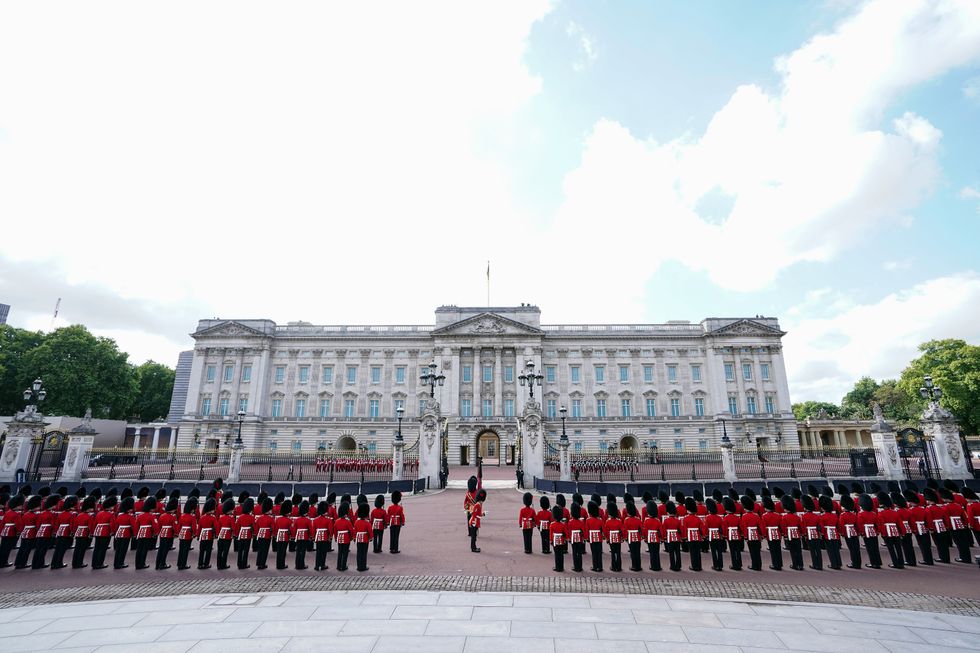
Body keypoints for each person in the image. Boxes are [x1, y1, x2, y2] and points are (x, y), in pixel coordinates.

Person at [876, 492, 904, 569]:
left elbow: (881, 524)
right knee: (898, 548)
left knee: (891, 549)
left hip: (887, 532)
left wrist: (883, 533)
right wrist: (902, 532)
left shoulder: (881, 513)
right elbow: (900, 523)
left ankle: (895, 563)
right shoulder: (895, 512)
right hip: (896, 532)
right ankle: (901, 562)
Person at [31, 494, 59, 569]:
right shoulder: (52, 514)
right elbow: (53, 524)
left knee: (38, 549)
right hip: (47, 532)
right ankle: (40, 564)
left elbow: (38, 524)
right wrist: (54, 532)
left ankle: (35, 563)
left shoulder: (41, 513)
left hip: (40, 532)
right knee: (43, 549)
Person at [90, 495, 116, 570]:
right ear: (110, 506)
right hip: (105, 532)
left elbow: (95, 523)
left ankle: (94, 563)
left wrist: (94, 531)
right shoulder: (111, 514)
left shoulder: (99, 513)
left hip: (98, 531)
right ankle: (100, 563)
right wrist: (112, 532)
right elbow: (112, 524)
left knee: (97, 548)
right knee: (102, 549)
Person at [857, 493, 882, 569]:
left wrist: (861, 532)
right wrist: (877, 531)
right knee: (875, 547)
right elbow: (877, 524)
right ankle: (878, 562)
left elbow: (860, 524)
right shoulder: (873, 513)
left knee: (870, 548)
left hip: (866, 532)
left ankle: (873, 562)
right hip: (873, 531)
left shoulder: (861, 514)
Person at [70, 496, 96, 569]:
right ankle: (79, 563)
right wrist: (91, 533)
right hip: (85, 533)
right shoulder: (89, 516)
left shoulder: (79, 515)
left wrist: (73, 532)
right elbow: (90, 526)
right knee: (82, 549)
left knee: (77, 548)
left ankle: (74, 563)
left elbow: (75, 525)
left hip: (78, 533)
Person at [133, 496, 159, 570]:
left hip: (140, 533)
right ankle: (142, 564)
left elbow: (136, 525)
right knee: (144, 549)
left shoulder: (140, 515)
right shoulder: (152, 516)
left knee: (139, 549)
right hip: (147, 534)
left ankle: (137, 564)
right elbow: (155, 526)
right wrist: (155, 533)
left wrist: (136, 533)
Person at [817, 495, 842, 570]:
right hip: (835, 533)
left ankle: (834, 564)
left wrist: (822, 534)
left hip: (827, 534)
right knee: (836, 549)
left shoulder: (822, 516)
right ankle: (838, 563)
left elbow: (821, 527)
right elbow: (838, 526)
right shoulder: (835, 516)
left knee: (830, 550)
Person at [0, 495, 25, 568]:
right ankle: (4, 562)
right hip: (11, 532)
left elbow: (2, 523)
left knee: (3, 548)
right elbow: (18, 524)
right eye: (20, 506)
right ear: (16, 506)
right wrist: (18, 532)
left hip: (5, 532)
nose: (21, 507)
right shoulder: (16, 514)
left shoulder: (7, 512)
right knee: (7, 549)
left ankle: (1, 562)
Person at [111, 496, 135, 570]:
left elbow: (116, 525)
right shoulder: (130, 516)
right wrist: (134, 534)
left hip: (119, 533)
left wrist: (115, 532)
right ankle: (121, 563)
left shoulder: (119, 516)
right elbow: (133, 526)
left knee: (118, 549)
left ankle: (116, 563)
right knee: (123, 550)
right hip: (126, 534)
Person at [800, 494, 823, 571]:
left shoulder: (804, 516)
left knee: (812, 550)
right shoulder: (817, 516)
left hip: (809, 534)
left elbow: (803, 526)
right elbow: (820, 526)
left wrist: (804, 534)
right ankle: (820, 565)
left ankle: (815, 564)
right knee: (818, 550)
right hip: (816, 533)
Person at [739, 495, 762, 571]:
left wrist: (745, 536)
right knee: (757, 551)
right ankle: (759, 565)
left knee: (752, 551)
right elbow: (760, 526)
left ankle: (754, 565)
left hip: (749, 535)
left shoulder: (744, 516)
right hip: (756, 535)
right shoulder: (757, 516)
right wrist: (761, 535)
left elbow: (744, 528)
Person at [682, 497, 704, 572]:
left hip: (690, 536)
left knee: (692, 552)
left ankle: (694, 566)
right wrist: (703, 536)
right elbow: (702, 529)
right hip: (698, 536)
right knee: (698, 552)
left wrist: (684, 537)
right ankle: (699, 566)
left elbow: (685, 529)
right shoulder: (698, 518)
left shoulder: (686, 518)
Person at [155, 498, 178, 570]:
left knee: (161, 549)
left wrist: (158, 533)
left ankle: (157, 564)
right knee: (165, 549)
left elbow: (159, 526)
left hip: (162, 533)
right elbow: (175, 527)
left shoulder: (162, 515)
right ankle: (163, 563)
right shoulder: (173, 517)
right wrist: (176, 533)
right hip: (169, 534)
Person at [177, 497, 198, 571]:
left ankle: (179, 563)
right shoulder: (192, 517)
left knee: (181, 549)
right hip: (188, 534)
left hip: (182, 534)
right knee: (185, 550)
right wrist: (194, 534)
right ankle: (183, 564)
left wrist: (178, 533)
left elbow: (179, 526)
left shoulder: (182, 516)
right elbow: (194, 527)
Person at [762, 496, 783, 571]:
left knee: (773, 550)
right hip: (777, 533)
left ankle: (775, 564)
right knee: (778, 549)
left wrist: (763, 535)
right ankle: (780, 564)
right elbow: (781, 526)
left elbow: (764, 526)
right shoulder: (778, 515)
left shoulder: (764, 516)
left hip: (770, 534)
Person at [215, 498, 236, 570]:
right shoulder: (231, 518)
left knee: (220, 551)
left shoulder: (221, 518)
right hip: (227, 536)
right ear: (229, 510)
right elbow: (233, 528)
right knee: (225, 551)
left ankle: (218, 564)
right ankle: (223, 564)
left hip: (220, 536)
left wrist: (217, 534)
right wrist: (234, 534)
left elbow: (218, 527)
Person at [722, 497, 742, 571]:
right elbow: (740, 527)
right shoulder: (737, 517)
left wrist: (724, 535)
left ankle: (734, 564)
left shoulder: (726, 518)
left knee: (733, 550)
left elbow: (724, 528)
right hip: (737, 535)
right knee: (738, 550)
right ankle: (739, 564)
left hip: (730, 535)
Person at [704, 498, 725, 571]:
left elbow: (706, 527)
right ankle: (720, 565)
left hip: (711, 535)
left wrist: (705, 535)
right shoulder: (719, 518)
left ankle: (716, 565)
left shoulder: (707, 517)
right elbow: (722, 527)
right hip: (718, 535)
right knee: (719, 551)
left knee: (713, 551)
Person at [254, 498, 274, 570]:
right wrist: (272, 534)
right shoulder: (270, 518)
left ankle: (259, 564)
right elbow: (272, 528)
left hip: (260, 535)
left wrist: (256, 534)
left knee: (260, 550)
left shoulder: (259, 518)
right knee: (265, 550)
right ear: (268, 510)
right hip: (266, 535)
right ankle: (262, 564)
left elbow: (256, 527)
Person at [197, 498, 218, 570]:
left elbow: (199, 528)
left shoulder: (202, 517)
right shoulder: (213, 517)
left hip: (202, 535)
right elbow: (216, 527)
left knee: (202, 550)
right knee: (208, 551)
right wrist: (216, 534)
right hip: (209, 535)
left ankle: (200, 564)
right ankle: (206, 564)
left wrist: (198, 535)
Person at [661, 501, 682, 572]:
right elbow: (680, 530)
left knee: (671, 553)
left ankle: (673, 566)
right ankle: (678, 565)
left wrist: (664, 538)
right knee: (677, 552)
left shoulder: (666, 521)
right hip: (677, 537)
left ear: (668, 512)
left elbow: (664, 530)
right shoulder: (678, 520)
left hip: (669, 538)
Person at [235, 498, 255, 569]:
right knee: (246, 550)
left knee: (240, 550)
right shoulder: (251, 517)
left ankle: (239, 564)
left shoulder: (240, 517)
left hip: (241, 534)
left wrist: (236, 535)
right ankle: (244, 564)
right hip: (248, 535)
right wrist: (254, 533)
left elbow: (237, 527)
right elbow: (254, 527)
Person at [642, 500, 662, 572]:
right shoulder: (658, 520)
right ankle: (658, 566)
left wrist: (645, 538)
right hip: (656, 538)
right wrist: (661, 538)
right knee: (656, 552)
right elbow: (661, 530)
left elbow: (645, 531)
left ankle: (653, 566)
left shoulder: (646, 521)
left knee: (652, 553)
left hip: (650, 538)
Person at [623, 502, 643, 572]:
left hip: (630, 537)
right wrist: (641, 536)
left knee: (632, 552)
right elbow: (641, 528)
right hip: (637, 537)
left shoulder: (626, 520)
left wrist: (625, 537)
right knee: (637, 552)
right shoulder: (638, 519)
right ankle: (639, 566)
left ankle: (634, 566)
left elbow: (625, 530)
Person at [603, 503, 624, 572]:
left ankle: (613, 566)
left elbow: (606, 531)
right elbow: (622, 530)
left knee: (613, 552)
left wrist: (607, 538)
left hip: (611, 538)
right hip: (618, 538)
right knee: (618, 552)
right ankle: (619, 566)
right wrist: (622, 538)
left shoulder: (608, 521)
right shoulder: (619, 521)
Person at [274, 499, 293, 570]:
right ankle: (282, 564)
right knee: (283, 551)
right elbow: (291, 530)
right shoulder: (289, 520)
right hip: (285, 536)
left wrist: (275, 535)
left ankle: (278, 564)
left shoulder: (278, 519)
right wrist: (291, 535)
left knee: (279, 551)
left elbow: (275, 528)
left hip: (279, 536)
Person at [585, 501, 605, 571]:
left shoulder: (588, 520)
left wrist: (586, 538)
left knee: (594, 553)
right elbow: (603, 530)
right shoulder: (600, 520)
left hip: (591, 538)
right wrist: (604, 536)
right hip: (599, 538)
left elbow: (587, 530)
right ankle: (600, 567)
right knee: (599, 553)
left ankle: (595, 566)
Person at [292, 500, 312, 570]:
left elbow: (294, 529)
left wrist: (293, 537)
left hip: (298, 536)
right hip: (305, 536)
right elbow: (310, 529)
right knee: (303, 551)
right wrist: (311, 536)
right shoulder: (308, 520)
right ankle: (302, 564)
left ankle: (297, 565)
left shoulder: (297, 520)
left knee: (298, 551)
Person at [353, 502, 373, 571]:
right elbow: (370, 531)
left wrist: (354, 538)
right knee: (364, 553)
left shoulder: (356, 522)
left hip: (358, 539)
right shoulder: (367, 522)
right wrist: (371, 537)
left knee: (359, 552)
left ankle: (359, 566)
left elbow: (354, 531)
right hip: (365, 539)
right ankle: (363, 566)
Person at [334, 502, 354, 571]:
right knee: (345, 553)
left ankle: (338, 565)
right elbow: (351, 531)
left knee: (340, 552)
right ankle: (343, 566)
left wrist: (336, 538)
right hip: (346, 538)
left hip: (339, 538)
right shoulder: (347, 521)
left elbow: (335, 531)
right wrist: (352, 537)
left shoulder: (337, 521)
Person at [313, 501, 332, 571]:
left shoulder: (315, 520)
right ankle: (322, 565)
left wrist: (314, 536)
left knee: (318, 551)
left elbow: (313, 530)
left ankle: (317, 565)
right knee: (323, 552)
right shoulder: (328, 520)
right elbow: (330, 530)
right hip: (325, 537)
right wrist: (330, 537)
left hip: (318, 537)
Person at [568, 502, 586, 572]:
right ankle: (580, 566)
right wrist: (583, 538)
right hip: (579, 538)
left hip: (573, 538)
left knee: (574, 552)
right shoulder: (581, 522)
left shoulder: (570, 522)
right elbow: (583, 531)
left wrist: (569, 538)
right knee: (579, 552)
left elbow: (569, 531)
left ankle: (576, 566)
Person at [549, 505, 567, 572]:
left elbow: (551, 534)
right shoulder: (563, 524)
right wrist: (565, 539)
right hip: (561, 540)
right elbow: (565, 533)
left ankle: (557, 567)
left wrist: (551, 541)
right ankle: (561, 567)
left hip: (555, 540)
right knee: (561, 554)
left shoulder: (552, 524)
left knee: (556, 555)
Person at [469, 489, 486, 553]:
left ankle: (474, 547)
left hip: (475, 522)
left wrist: (483, 514)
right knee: (473, 536)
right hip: (474, 522)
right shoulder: (477, 505)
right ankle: (473, 548)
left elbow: (478, 514)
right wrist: (481, 515)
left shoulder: (478, 504)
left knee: (474, 535)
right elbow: (474, 514)